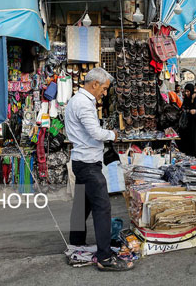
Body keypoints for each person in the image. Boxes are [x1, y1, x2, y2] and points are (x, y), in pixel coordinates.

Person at [66, 67, 133, 271]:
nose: (104, 93)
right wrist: (113, 134)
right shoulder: (84, 104)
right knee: (102, 207)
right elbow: (95, 132)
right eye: (103, 89)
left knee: (82, 206)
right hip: (87, 163)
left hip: (82, 161)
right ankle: (105, 257)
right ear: (94, 84)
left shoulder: (77, 100)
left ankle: (76, 244)